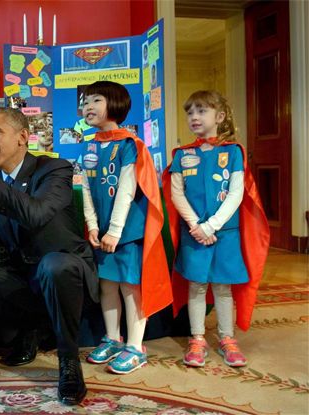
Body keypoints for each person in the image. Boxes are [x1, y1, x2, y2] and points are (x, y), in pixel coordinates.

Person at [0, 107, 98, 405]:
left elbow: (35, 214)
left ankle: (69, 361)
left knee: (53, 266)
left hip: (66, 272)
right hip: (26, 279)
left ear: (23, 137)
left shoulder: (54, 169)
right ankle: (31, 329)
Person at [163, 90, 269, 368]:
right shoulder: (182, 154)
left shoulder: (233, 152)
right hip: (195, 234)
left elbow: (236, 194)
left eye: (201, 111)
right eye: (190, 112)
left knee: (223, 287)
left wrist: (211, 225)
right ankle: (197, 338)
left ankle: (227, 338)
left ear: (219, 117)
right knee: (196, 285)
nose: (194, 117)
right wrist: (197, 226)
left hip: (224, 234)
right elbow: (177, 195)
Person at [78, 81, 172, 374]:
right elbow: (86, 189)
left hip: (126, 234)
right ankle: (113, 338)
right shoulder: (89, 145)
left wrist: (116, 230)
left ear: (114, 105)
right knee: (107, 286)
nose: (88, 107)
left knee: (131, 289)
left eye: (96, 100)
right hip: (101, 233)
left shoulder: (130, 145)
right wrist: (92, 225)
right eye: (85, 101)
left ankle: (135, 346)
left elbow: (127, 190)